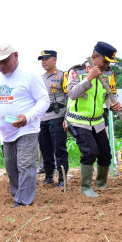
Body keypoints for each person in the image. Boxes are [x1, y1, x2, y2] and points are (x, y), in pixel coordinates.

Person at [0, 44, 50, 208]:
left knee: (25, 164)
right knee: (11, 167)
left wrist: (27, 117)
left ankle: (23, 200)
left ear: (16, 56)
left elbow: (44, 100)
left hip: (26, 128)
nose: (1, 66)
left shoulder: (29, 75)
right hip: (7, 131)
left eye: (4, 61)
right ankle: (18, 194)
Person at [65, 42, 121, 198]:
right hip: (78, 120)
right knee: (89, 151)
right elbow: (72, 94)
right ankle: (86, 187)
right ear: (95, 57)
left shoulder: (108, 73)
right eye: (105, 61)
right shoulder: (77, 71)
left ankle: (101, 183)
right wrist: (89, 78)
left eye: (110, 62)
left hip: (97, 121)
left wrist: (113, 104)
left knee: (105, 153)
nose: (107, 65)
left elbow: (108, 96)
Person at [37, 50, 69, 187]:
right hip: (42, 118)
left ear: (54, 60)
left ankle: (62, 178)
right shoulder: (40, 78)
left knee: (59, 148)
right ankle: (49, 175)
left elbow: (69, 97)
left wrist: (67, 118)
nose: (43, 62)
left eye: (46, 59)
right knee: (45, 148)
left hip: (58, 116)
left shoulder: (63, 75)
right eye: (42, 59)